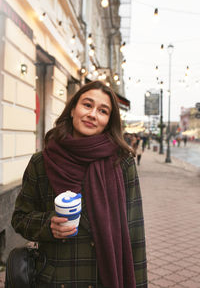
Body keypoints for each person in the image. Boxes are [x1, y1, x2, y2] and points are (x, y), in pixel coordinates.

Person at [11, 81, 147, 288]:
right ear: (73, 109)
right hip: (55, 279)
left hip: (105, 277)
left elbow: (134, 233)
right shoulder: (42, 162)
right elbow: (20, 217)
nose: (93, 114)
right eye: (87, 105)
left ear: (109, 121)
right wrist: (48, 225)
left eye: (103, 111)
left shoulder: (122, 162)